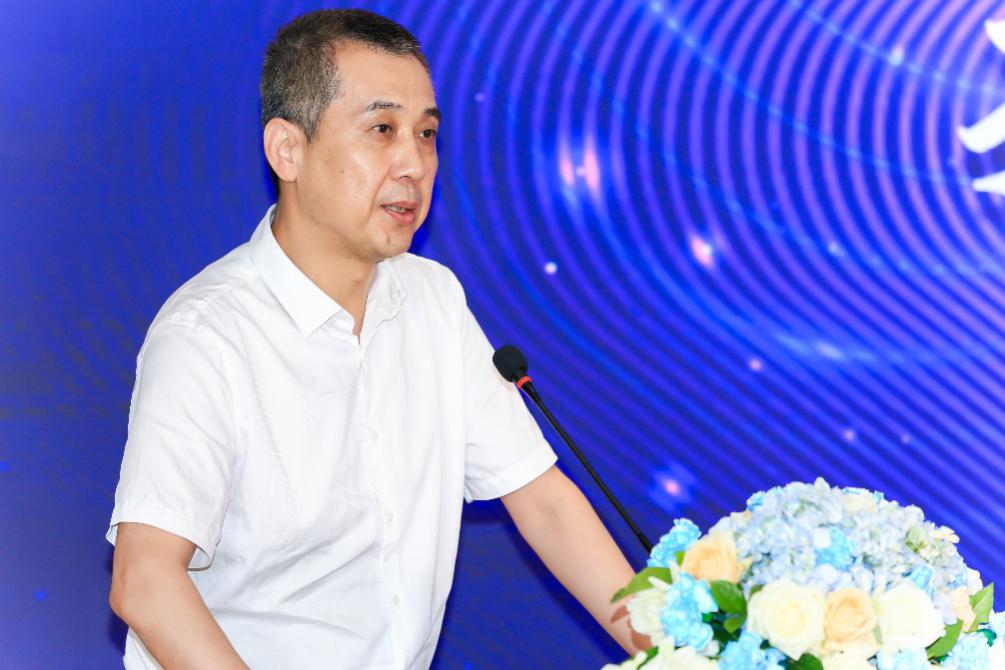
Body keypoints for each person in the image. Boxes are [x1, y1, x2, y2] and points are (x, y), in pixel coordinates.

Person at [107, 9, 644, 669]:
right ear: (287, 150)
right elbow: (145, 581)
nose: (414, 164)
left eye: (426, 134)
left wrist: (677, 651)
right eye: (382, 130)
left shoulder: (432, 299)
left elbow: (544, 502)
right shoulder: (207, 335)